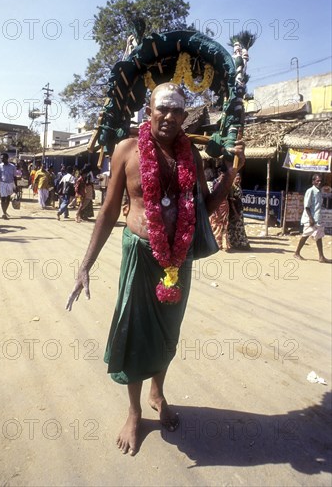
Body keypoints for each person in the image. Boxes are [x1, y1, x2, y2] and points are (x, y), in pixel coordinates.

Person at [65, 83, 245, 456]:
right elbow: (110, 210)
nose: (169, 115)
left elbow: (202, 209)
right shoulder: (126, 150)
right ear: (148, 112)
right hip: (140, 254)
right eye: (161, 108)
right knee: (133, 332)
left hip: (178, 260)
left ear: (184, 116)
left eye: (177, 110)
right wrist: (85, 266)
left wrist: (228, 175)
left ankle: (157, 392)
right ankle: (133, 412)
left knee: (167, 332)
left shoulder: (191, 155)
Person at [294, 174, 331, 263]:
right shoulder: (310, 191)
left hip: (317, 218)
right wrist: (311, 218)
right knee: (306, 235)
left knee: (319, 236)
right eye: (317, 181)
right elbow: (307, 206)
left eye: (320, 181)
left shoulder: (319, 192)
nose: (319, 182)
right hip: (310, 218)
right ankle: (297, 253)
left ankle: (321, 257)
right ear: (313, 182)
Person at [227, 172, 251, 250]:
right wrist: (235, 212)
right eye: (237, 179)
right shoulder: (232, 187)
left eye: (239, 179)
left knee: (238, 227)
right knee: (235, 227)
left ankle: (238, 243)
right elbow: (231, 201)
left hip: (239, 209)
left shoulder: (238, 186)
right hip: (235, 211)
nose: (238, 180)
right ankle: (238, 243)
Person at [209, 168, 230, 251]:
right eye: (222, 176)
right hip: (218, 206)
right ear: (220, 175)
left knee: (224, 224)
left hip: (225, 206)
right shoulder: (217, 185)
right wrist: (215, 209)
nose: (223, 177)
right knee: (217, 224)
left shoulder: (226, 185)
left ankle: (225, 244)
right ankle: (217, 243)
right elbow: (215, 197)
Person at [0, 153, 17, 219]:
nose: (1, 159)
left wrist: (16, 186)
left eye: (3, 158)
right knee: (3, 199)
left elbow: (15, 177)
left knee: (8, 199)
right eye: (1, 158)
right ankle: (4, 213)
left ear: (7, 158)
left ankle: (5, 211)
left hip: (10, 183)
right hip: (3, 184)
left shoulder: (12, 166)